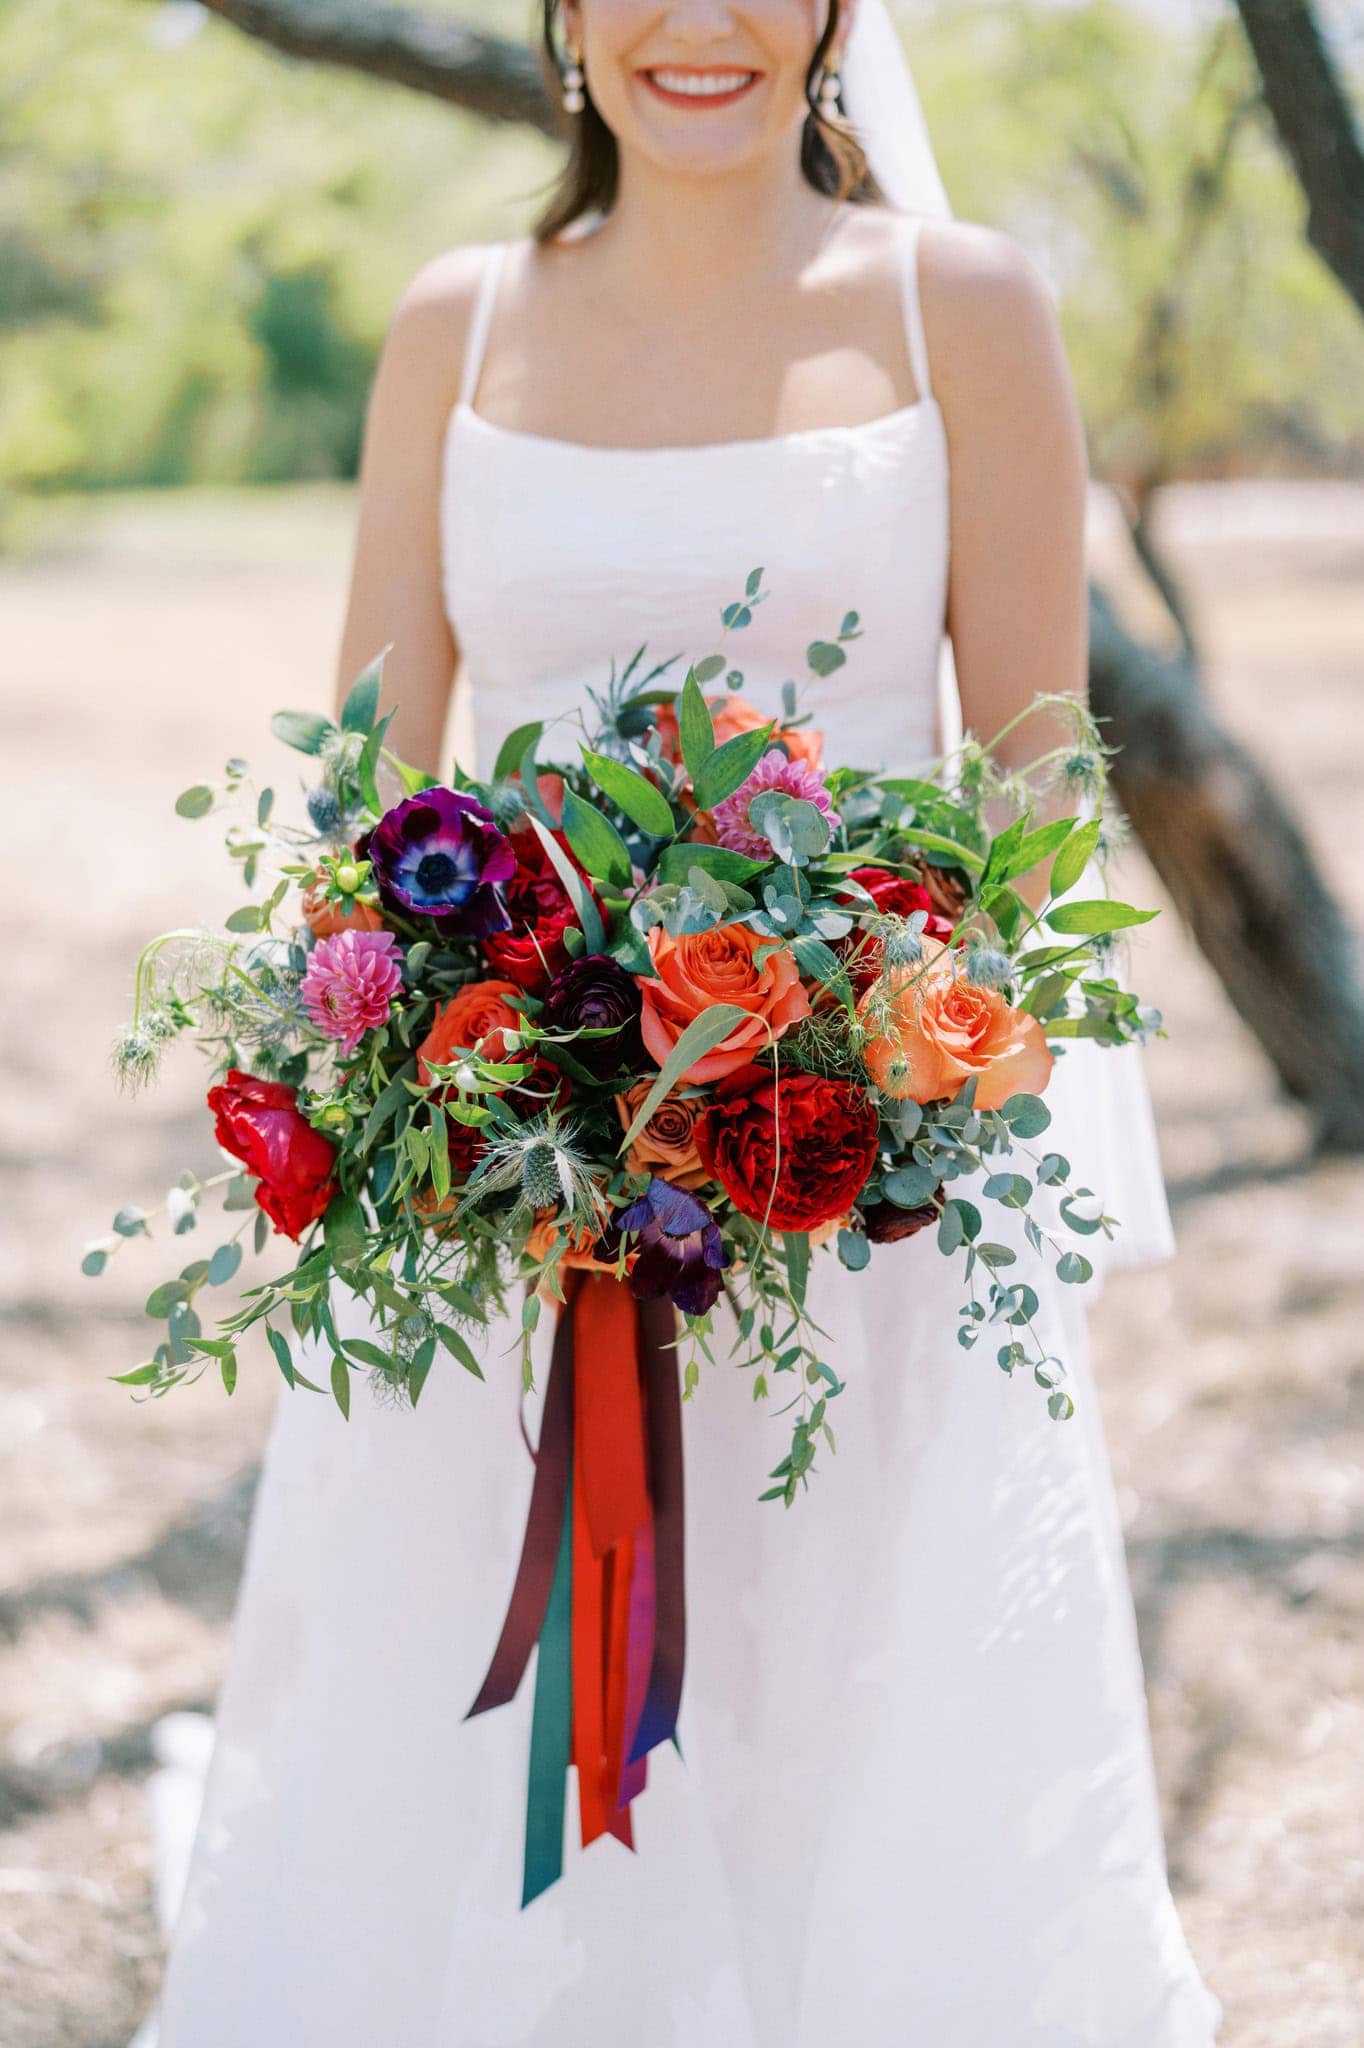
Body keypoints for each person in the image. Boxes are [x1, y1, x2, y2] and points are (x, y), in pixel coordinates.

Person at [147, 0, 1223, 2040]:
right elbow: (366, 785)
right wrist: (450, 1046)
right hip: (514, 1198)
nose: (695, 20)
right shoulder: (453, 330)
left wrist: (839, 1046)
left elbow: (1030, 780)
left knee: (857, 1686)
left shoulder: (955, 309)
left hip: (863, 1184)